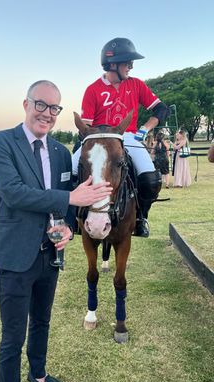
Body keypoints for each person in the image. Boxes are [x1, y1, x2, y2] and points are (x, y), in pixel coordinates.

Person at [0, 80, 113, 382]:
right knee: (13, 336)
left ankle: (37, 373)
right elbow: (14, 193)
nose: (48, 114)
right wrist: (71, 201)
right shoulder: (0, 143)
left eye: (54, 108)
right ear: (25, 104)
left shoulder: (58, 152)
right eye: (41, 105)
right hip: (14, 256)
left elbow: (69, 193)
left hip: (49, 254)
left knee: (41, 321)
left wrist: (69, 224)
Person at [72, 37, 170, 237]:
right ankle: (74, 217)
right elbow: (87, 125)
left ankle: (142, 218)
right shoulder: (93, 90)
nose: (131, 67)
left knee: (150, 179)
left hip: (129, 138)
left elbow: (161, 109)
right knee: (69, 172)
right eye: (128, 63)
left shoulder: (136, 85)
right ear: (112, 64)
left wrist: (145, 128)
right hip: (98, 140)